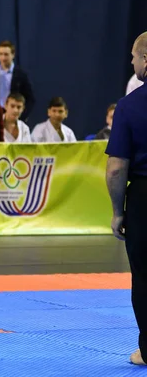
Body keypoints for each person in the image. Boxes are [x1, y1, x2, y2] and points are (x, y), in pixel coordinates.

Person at [106, 31, 147, 366]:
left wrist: (118, 212)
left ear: (145, 60)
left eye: (134, 56)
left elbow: (117, 168)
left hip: (145, 199)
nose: (131, 62)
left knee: (145, 276)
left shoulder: (130, 106)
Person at [0, 41, 35, 121]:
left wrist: (22, 117)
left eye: (6, 54)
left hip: (12, 115)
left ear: (13, 55)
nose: (3, 58)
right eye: (0, 54)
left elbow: (30, 99)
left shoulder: (21, 75)